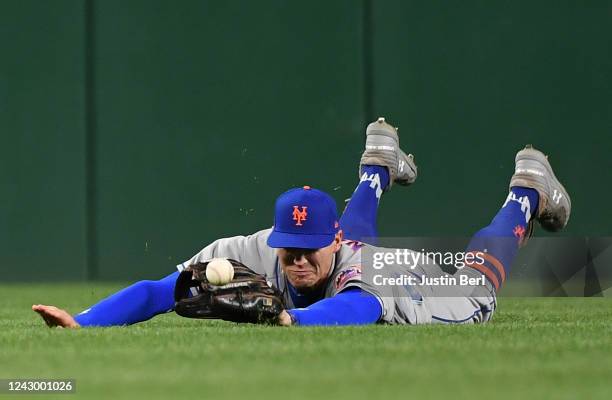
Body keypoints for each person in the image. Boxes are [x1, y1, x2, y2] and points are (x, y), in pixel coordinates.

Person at [32, 117, 570, 327]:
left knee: (478, 283)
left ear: (331, 242)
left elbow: (358, 306)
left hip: (414, 284)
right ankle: (378, 164)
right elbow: (160, 290)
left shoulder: (359, 268)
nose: (295, 260)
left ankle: (527, 189)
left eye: (307, 248)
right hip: (352, 250)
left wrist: (294, 322)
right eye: (289, 246)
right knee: (344, 246)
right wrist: (84, 322)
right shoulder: (250, 249)